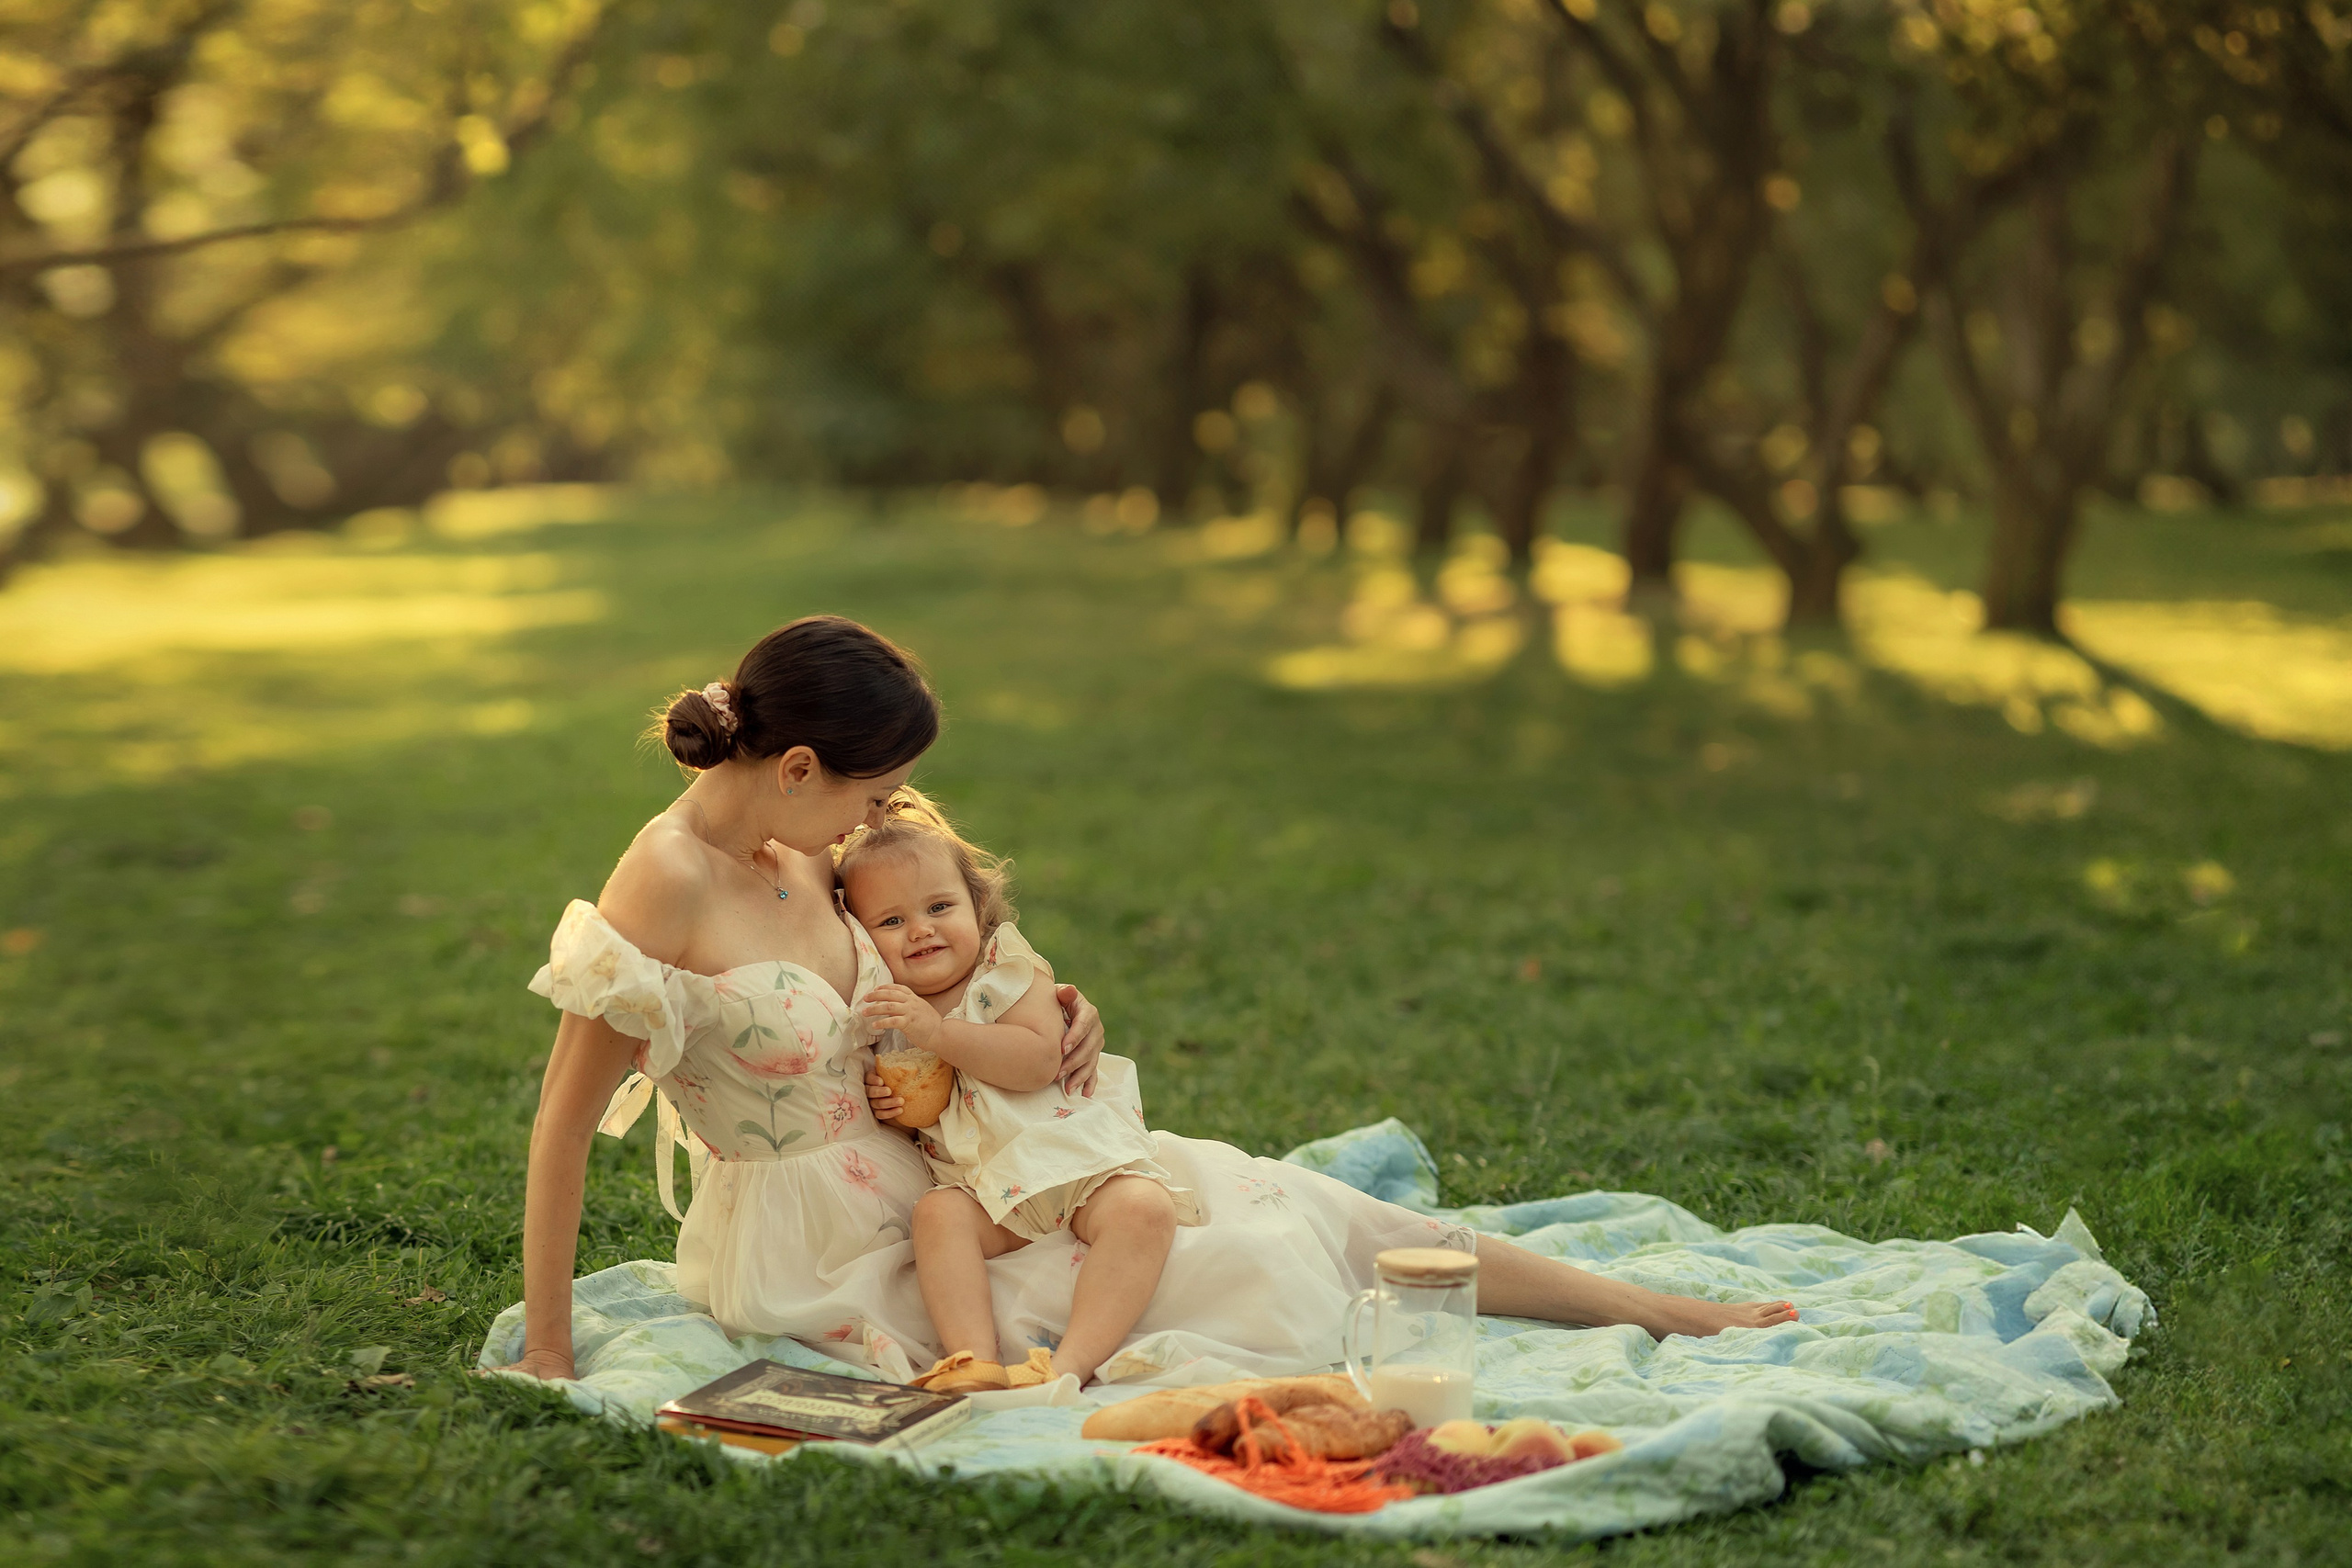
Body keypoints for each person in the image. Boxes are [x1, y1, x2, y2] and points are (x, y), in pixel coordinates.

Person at [504, 615, 1795, 1387]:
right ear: (795, 766)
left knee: (1268, 1190)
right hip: (832, 1247)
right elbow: (562, 1126)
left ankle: (1658, 1310)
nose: (877, 817)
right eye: (870, 791)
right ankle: (1627, 1312)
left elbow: (939, 959)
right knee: (1225, 1258)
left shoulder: (803, 847)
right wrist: (552, 1347)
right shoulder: (665, 884)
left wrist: (1055, 1018)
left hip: (964, 1157)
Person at [842, 792, 1199, 1391]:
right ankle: (972, 1358)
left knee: (1144, 1209)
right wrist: (895, 1108)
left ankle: (1070, 1363)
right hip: (988, 1191)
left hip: (1075, 1165)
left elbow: (1037, 1061)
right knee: (937, 1215)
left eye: (939, 906)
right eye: (891, 921)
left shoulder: (1004, 968)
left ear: (978, 904)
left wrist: (939, 1032)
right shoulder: (891, 1014)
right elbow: (928, 1114)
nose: (921, 929)